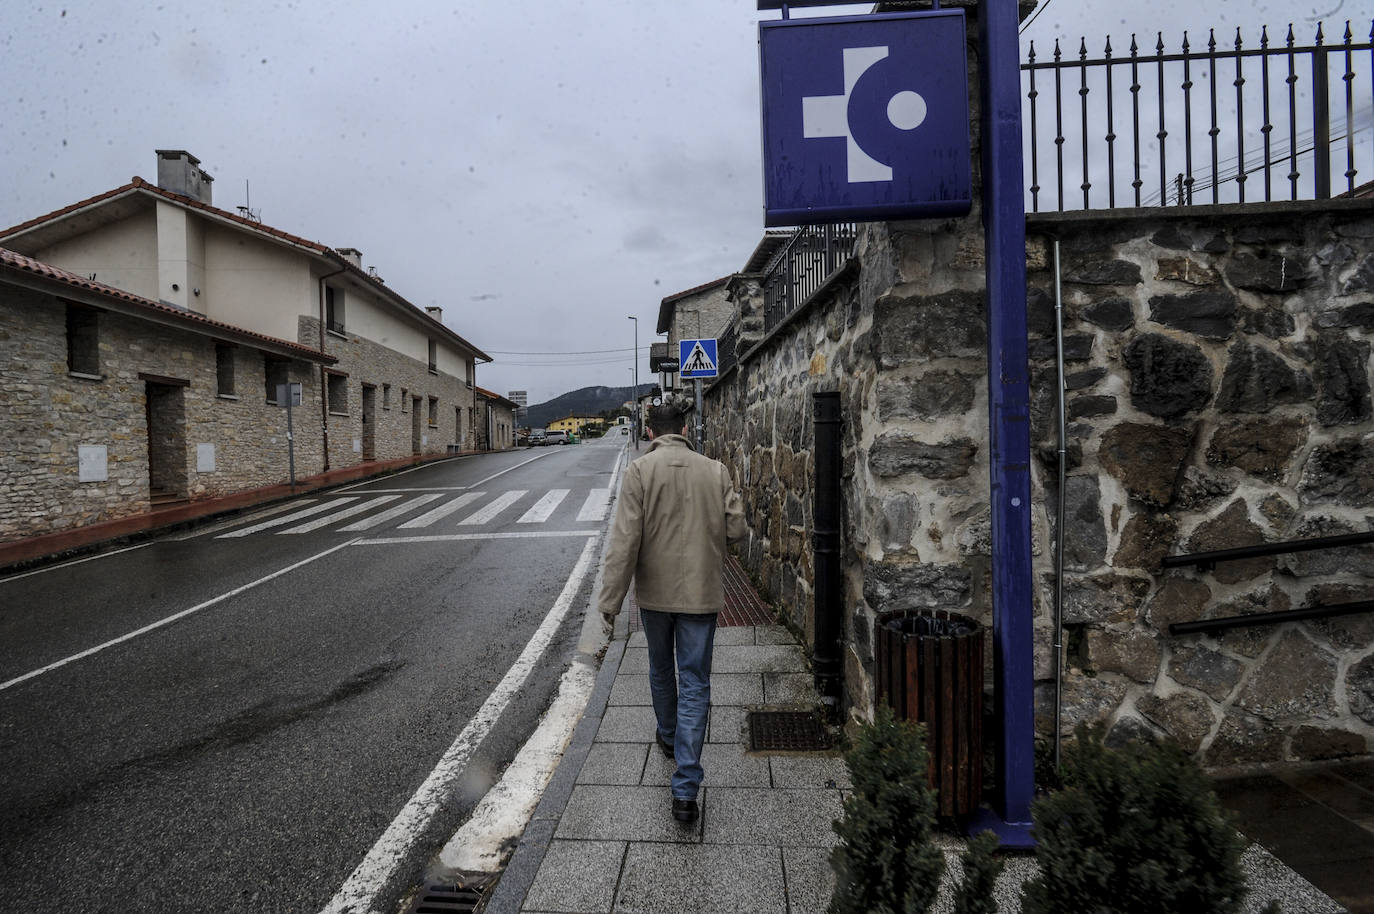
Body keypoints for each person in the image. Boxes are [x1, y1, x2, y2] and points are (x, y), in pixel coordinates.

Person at [598, 404, 747, 824]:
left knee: (661, 670)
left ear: (649, 432)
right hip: (701, 594)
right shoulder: (715, 470)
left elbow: (624, 544)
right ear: (684, 428)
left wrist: (610, 605)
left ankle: (667, 737)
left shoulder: (640, 473)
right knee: (695, 680)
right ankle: (685, 789)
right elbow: (736, 530)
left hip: (655, 598)